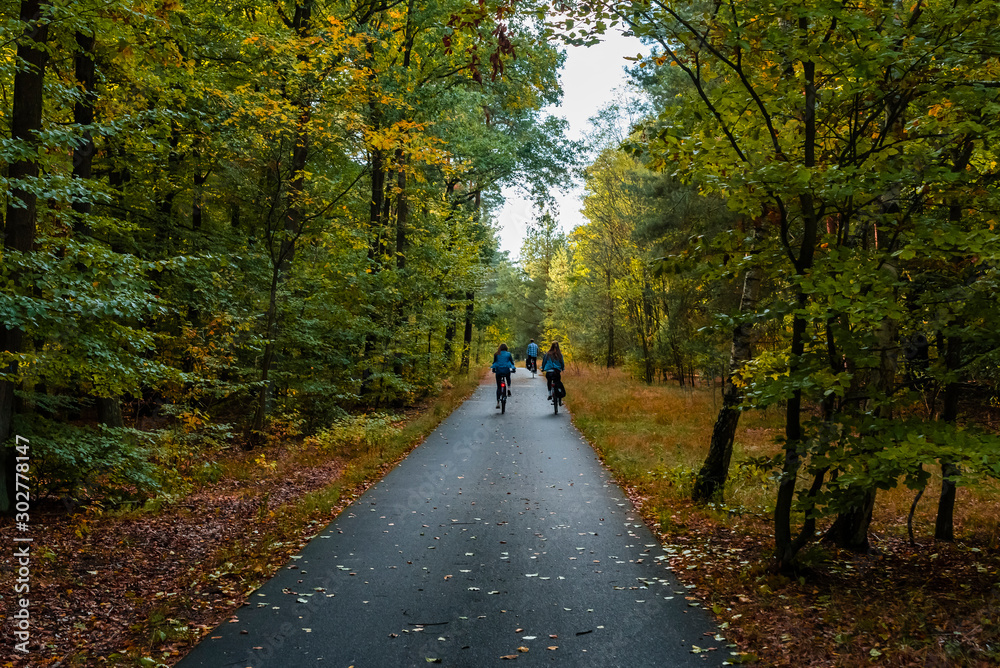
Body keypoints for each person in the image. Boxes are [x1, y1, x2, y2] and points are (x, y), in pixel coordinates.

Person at [491, 343, 516, 408]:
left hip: (498, 371)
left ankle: (498, 402)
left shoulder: (496, 354)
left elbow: (494, 363)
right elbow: (511, 362)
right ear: (506, 348)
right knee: (508, 377)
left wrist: (493, 370)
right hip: (506, 370)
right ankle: (508, 388)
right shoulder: (508, 354)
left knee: (499, 387)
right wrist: (513, 369)